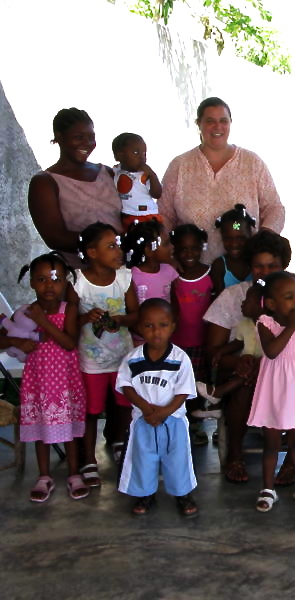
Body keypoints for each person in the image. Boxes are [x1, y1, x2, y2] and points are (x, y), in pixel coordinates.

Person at [203, 230, 291, 482]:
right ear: (250, 266)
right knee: (244, 386)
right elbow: (214, 351)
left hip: (283, 370)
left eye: (273, 266)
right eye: (259, 266)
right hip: (240, 371)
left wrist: (265, 365)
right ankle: (235, 456)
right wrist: (243, 363)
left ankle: (294, 461)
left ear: (284, 266)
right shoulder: (233, 297)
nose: (265, 272)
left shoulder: (292, 296)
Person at [2, 253, 87, 502]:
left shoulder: (68, 310)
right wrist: (18, 340)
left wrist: (43, 322)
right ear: (31, 283)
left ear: (65, 282)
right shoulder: (25, 313)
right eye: (41, 279)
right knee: (41, 432)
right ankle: (43, 476)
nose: (49, 286)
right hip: (38, 385)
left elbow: (69, 343)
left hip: (64, 384)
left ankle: (74, 474)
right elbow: (2, 338)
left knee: (69, 432)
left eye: (56, 280)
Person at [159, 97, 284, 262]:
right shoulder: (180, 165)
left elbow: (275, 209)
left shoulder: (251, 162)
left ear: (230, 123)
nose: (217, 127)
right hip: (192, 270)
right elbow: (164, 215)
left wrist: (262, 242)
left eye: (223, 121)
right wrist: (169, 256)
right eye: (210, 121)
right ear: (199, 124)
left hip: (244, 268)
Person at [117, 298, 198, 518]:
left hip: (173, 421)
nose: (156, 332)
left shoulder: (180, 358)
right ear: (139, 327)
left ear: (172, 326)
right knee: (143, 458)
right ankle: (145, 494)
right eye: (149, 326)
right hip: (144, 421)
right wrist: (146, 409)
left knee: (177, 459)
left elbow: (183, 392)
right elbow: (126, 386)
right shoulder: (133, 359)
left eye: (163, 325)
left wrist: (163, 412)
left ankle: (182, 494)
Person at [247, 272, 295, 513]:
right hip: (275, 391)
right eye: (290, 297)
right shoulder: (265, 324)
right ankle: (268, 489)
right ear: (271, 304)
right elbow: (272, 351)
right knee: (272, 443)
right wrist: (291, 326)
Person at [74, 222, 139, 486]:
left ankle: (121, 442)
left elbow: (136, 316)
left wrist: (120, 320)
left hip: (123, 356)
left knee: (124, 404)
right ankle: (89, 457)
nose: (118, 251)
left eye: (118, 245)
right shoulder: (78, 283)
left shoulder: (124, 278)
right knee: (91, 411)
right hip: (92, 361)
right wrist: (86, 317)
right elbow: (69, 322)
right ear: (91, 252)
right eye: (110, 246)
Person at [28, 108, 121, 270]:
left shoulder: (108, 172)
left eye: (91, 138)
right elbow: (55, 237)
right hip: (83, 277)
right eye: (78, 137)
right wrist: (104, 247)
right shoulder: (45, 183)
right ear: (59, 137)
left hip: (124, 268)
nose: (87, 143)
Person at [170, 225, 214, 421]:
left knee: (198, 384)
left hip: (202, 343)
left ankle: (196, 424)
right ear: (175, 251)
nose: (189, 254)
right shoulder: (172, 276)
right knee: (177, 384)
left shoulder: (210, 274)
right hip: (176, 343)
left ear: (202, 247)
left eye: (194, 248)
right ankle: (180, 421)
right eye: (183, 249)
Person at [111, 132, 162, 231]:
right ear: (119, 156)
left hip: (146, 216)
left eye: (144, 153)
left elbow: (157, 194)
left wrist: (152, 175)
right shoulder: (117, 171)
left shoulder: (145, 175)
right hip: (127, 214)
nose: (142, 157)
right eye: (136, 152)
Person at [123, 219, 178, 305]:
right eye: (166, 244)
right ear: (149, 251)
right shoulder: (132, 277)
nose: (172, 246)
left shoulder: (170, 271)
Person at [209, 204, 255, 296]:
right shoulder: (219, 266)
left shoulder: (256, 262)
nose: (234, 244)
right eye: (228, 239)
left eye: (241, 238)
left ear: (250, 235)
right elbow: (220, 301)